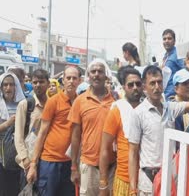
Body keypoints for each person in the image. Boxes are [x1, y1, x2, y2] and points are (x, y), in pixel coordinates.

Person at [128, 52, 189, 195]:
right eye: (152, 83)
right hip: (148, 180)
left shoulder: (170, 108)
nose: (157, 87)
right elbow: (132, 152)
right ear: (144, 87)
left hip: (168, 176)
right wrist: (132, 188)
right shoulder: (138, 113)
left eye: (159, 82)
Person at [26, 66, 81, 196]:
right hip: (50, 162)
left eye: (74, 78)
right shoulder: (53, 102)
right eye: (68, 78)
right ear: (63, 80)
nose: (71, 81)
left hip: (71, 164)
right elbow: (42, 133)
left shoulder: (81, 102)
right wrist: (33, 164)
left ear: (79, 81)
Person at [69, 59, 115, 196]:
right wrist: (73, 167)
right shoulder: (80, 101)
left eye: (100, 72)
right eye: (93, 72)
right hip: (88, 167)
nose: (96, 75)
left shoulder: (115, 100)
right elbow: (75, 136)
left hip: (111, 167)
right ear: (88, 76)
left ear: (106, 76)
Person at [99, 66, 143, 196]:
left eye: (138, 84)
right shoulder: (117, 110)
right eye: (130, 85)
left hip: (146, 180)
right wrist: (103, 183)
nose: (135, 87)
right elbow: (104, 149)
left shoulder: (147, 109)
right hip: (124, 180)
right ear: (124, 87)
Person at [15, 69, 50, 188]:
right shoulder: (25, 105)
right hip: (28, 163)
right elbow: (18, 136)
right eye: (35, 82)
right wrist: (25, 160)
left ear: (48, 84)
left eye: (41, 82)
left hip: (46, 163)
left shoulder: (52, 105)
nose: (38, 85)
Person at [0, 72, 25, 196]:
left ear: (16, 87)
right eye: (5, 85)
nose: (8, 88)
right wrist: (7, 124)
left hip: (18, 156)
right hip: (2, 157)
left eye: (11, 84)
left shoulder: (23, 104)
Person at [161, 29, 185, 100]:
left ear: (174, 41)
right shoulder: (165, 56)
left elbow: (186, 73)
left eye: (169, 38)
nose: (166, 41)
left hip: (174, 97)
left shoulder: (178, 54)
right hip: (165, 95)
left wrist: (179, 95)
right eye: (164, 39)